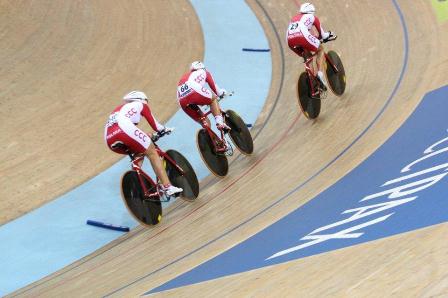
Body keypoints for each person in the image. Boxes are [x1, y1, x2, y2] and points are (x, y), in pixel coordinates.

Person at [104, 90, 182, 196]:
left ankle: (138, 183)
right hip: (124, 131)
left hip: (109, 139)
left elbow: (131, 133)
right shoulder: (141, 105)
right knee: (152, 152)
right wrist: (165, 129)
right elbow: (156, 126)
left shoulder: (120, 110)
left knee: (139, 151)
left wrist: (147, 135)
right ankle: (167, 187)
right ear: (142, 99)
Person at [286, 2, 336, 90]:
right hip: (303, 37)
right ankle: (320, 75)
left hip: (290, 41)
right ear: (312, 11)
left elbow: (301, 33)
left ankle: (312, 83)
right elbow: (323, 36)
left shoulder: (294, 19)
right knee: (320, 49)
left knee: (307, 56)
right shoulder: (313, 17)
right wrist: (329, 35)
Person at [177, 61, 230, 131]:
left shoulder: (185, 76)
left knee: (204, 122)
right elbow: (216, 90)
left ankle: (210, 139)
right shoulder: (204, 72)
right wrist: (222, 93)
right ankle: (219, 122)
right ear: (202, 67)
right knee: (213, 99)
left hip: (182, 100)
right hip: (193, 90)